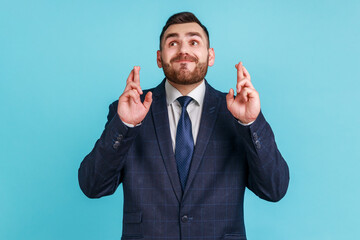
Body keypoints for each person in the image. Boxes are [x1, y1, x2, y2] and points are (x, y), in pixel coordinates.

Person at [78, 12, 289, 240]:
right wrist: (125, 124)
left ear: (210, 56)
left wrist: (250, 123)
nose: (183, 50)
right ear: (159, 58)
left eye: (193, 41)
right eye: (173, 42)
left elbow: (274, 189)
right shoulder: (130, 111)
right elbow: (93, 186)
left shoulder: (237, 112)